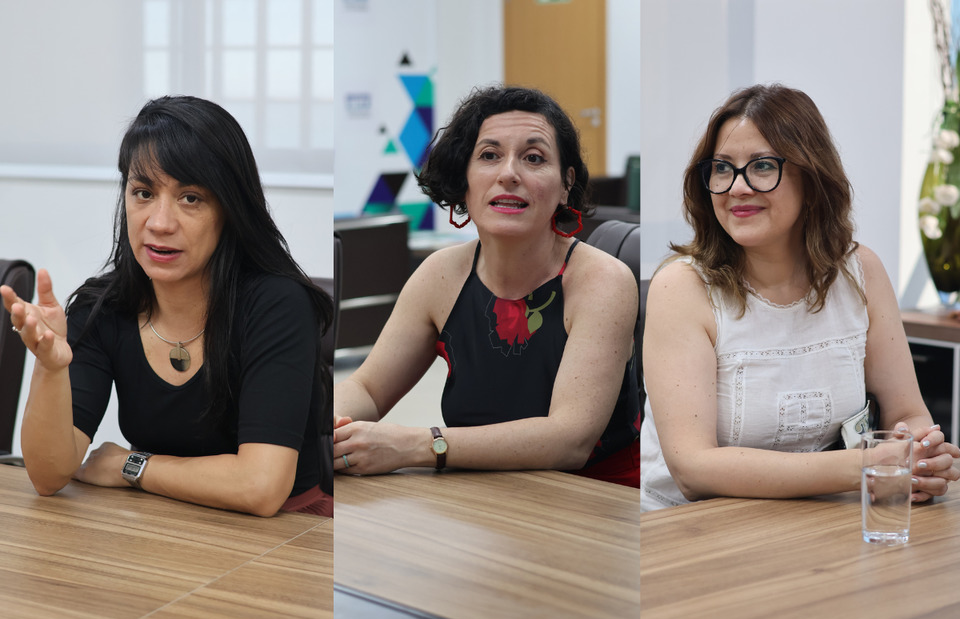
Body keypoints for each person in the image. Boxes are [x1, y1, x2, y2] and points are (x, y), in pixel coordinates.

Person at [0, 96, 333, 517]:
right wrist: (50, 369)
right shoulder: (102, 306)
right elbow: (48, 476)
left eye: (190, 198)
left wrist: (130, 465)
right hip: (159, 525)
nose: (159, 222)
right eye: (143, 192)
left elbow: (261, 487)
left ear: (230, 210)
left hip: (285, 538)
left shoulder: (278, 304)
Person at [639, 84, 960, 511]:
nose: (737, 188)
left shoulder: (861, 272)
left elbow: (909, 411)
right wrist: (865, 468)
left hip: (820, 522)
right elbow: (694, 469)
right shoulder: (681, 287)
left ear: (811, 176)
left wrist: (919, 456)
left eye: (762, 166)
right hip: (693, 531)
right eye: (722, 168)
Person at [333, 86, 642, 486]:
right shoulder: (439, 274)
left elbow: (569, 439)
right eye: (489, 155)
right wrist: (330, 427)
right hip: (477, 497)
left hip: (594, 504)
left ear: (566, 184)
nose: (508, 173)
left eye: (533, 158)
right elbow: (368, 389)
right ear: (464, 179)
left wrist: (416, 446)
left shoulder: (604, 281)